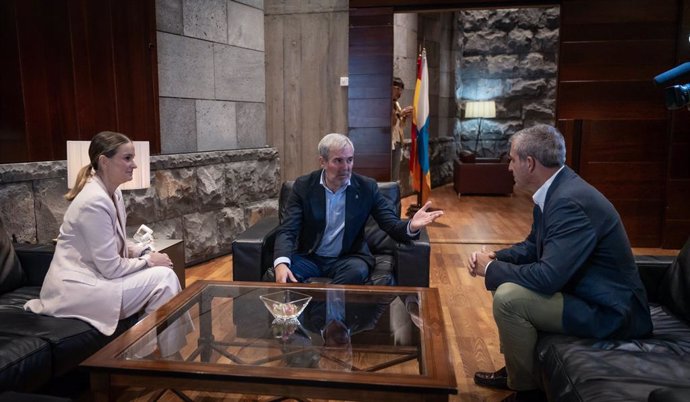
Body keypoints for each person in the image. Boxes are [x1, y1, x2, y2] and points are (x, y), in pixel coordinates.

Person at [467, 124, 652, 401]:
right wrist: (497, 257)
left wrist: (491, 269)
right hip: (585, 294)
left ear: (529, 163)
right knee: (505, 281)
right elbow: (533, 245)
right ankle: (519, 368)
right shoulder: (558, 189)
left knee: (508, 297)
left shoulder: (568, 202)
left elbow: (548, 277)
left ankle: (526, 391)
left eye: (511, 159)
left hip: (610, 312)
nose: (509, 167)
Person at [25, 131, 191, 357]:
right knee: (164, 278)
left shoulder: (113, 194)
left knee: (164, 278)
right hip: (77, 290)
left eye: (133, 158)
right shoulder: (93, 201)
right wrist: (148, 260)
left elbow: (111, 246)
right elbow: (110, 268)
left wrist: (140, 250)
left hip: (99, 278)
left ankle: (146, 355)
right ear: (104, 161)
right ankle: (155, 356)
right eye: (127, 158)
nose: (134, 164)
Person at [273, 133, 443, 284]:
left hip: (348, 258)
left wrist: (411, 225)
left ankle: (327, 317)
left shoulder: (366, 188)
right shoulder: (304, 186)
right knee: (288, 275)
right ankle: (322, 316)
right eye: (338, 160)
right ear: (322, 162)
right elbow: (288, 230)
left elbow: (390, 224)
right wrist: (281, 263)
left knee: (356, 272)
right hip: (310, 257)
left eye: (350, 160)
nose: (346, 167)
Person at [391, 77, 413, 182]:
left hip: (398, 141)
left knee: (395, 174)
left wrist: (404, 116)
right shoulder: (385, 102)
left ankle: (393, 195)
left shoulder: (397, 104)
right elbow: (391, 122)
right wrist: (401, 114)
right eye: (398, 89)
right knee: (389, 174)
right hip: (389, 143)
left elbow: (400, 125)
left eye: (401, 90)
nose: (400, 93)